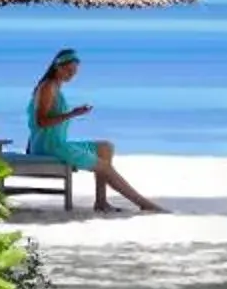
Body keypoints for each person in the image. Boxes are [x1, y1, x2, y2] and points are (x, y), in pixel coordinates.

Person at [28, 48, 163, 214]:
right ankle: (144, 203)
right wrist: (72, 114)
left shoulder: (55, 87)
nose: (72, 75)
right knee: (104, 167)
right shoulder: (47, 87)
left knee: (105, 147)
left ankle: (101, 202)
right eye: (69, 70)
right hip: (48, 147)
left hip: (57, 143)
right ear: (58, 67)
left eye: (75, 72)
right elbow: (41, 122)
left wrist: (74, 113)